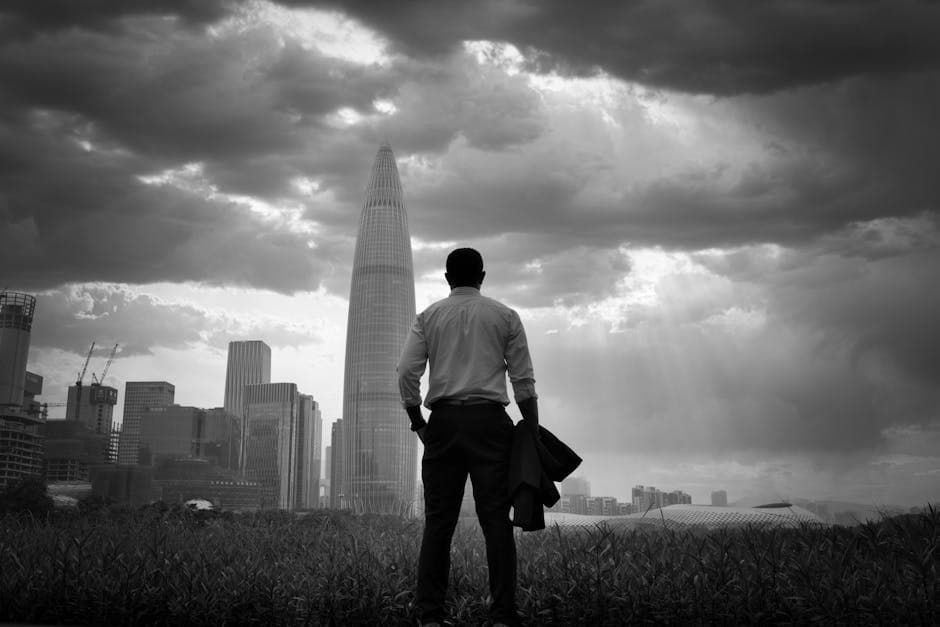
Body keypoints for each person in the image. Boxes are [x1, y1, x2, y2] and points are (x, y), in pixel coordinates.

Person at [397, 247, 540, 627]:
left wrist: (419, 422)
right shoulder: (505, 316)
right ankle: (502, 616)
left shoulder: (428, 317)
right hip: (490, 425)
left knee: (438, 523)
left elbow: (406, 372)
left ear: (447, 279)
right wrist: (532, 432)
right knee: (496, 522)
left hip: (443, 424)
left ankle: (430, 615)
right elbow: (523, 382)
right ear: (483, 277)